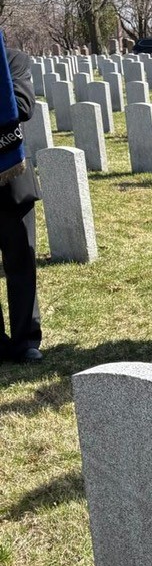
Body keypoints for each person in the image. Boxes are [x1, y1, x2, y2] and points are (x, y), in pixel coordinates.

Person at [0, 35, 42, 363]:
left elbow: (23, 106)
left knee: (20, 262)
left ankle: (25, 340)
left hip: (11, 179)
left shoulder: (14, 60)